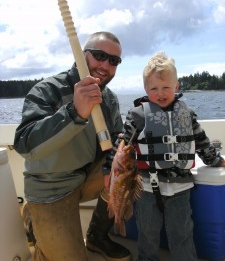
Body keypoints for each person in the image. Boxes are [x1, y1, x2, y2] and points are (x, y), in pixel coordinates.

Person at [14, 31, 131, 261]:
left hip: (86, 176)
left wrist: (115, 161)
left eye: (113, 60)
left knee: (131, 172)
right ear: (82, 54)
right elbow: (25, 144)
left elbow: (117, 138)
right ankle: (36, 219)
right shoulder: (48, 90)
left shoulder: (110, 99)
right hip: (51, 187)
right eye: (99, 55)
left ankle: (97, 236)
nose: (105, 65)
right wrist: (74, 112)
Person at [120, 51, 225, 261]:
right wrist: (110, 166)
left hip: (180, 189)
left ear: (176, 86)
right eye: (154, 89)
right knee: (147, 234)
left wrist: (216, 160)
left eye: (166, 87)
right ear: (146, 90)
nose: (160, 93)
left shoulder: (188, 114)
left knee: (182, 233)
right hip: (147, 188)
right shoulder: (138, 116)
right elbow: (122, 145)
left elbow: (202, 142)